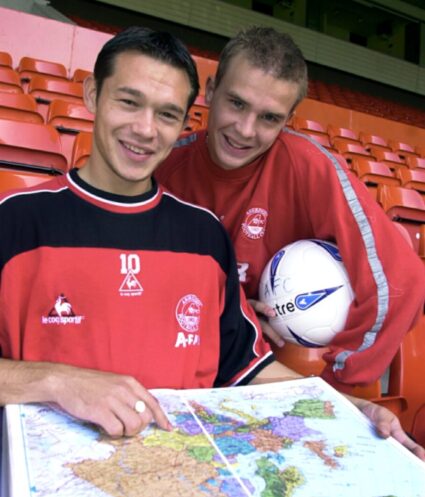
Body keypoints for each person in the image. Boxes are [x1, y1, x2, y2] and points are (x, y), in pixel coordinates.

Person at [0, 25, 422, 464]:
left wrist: (351, 406)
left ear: (184, 119)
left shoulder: (205, 234)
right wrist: (57, 382)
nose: (145, 129)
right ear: (92, 95)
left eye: (166, 114)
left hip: (185, 474)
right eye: (129, 102)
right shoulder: (14, 219)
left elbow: (243, 365)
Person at [156, 26, 425, 394]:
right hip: (181, 364)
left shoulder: (310, 168)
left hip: (274, 378)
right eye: (236, 103)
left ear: (289, 119)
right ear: (211, 90)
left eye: (269, 118)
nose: (245, 130)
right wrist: (231, 311)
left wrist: (335, 388)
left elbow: (403, 281)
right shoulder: (164, 167)